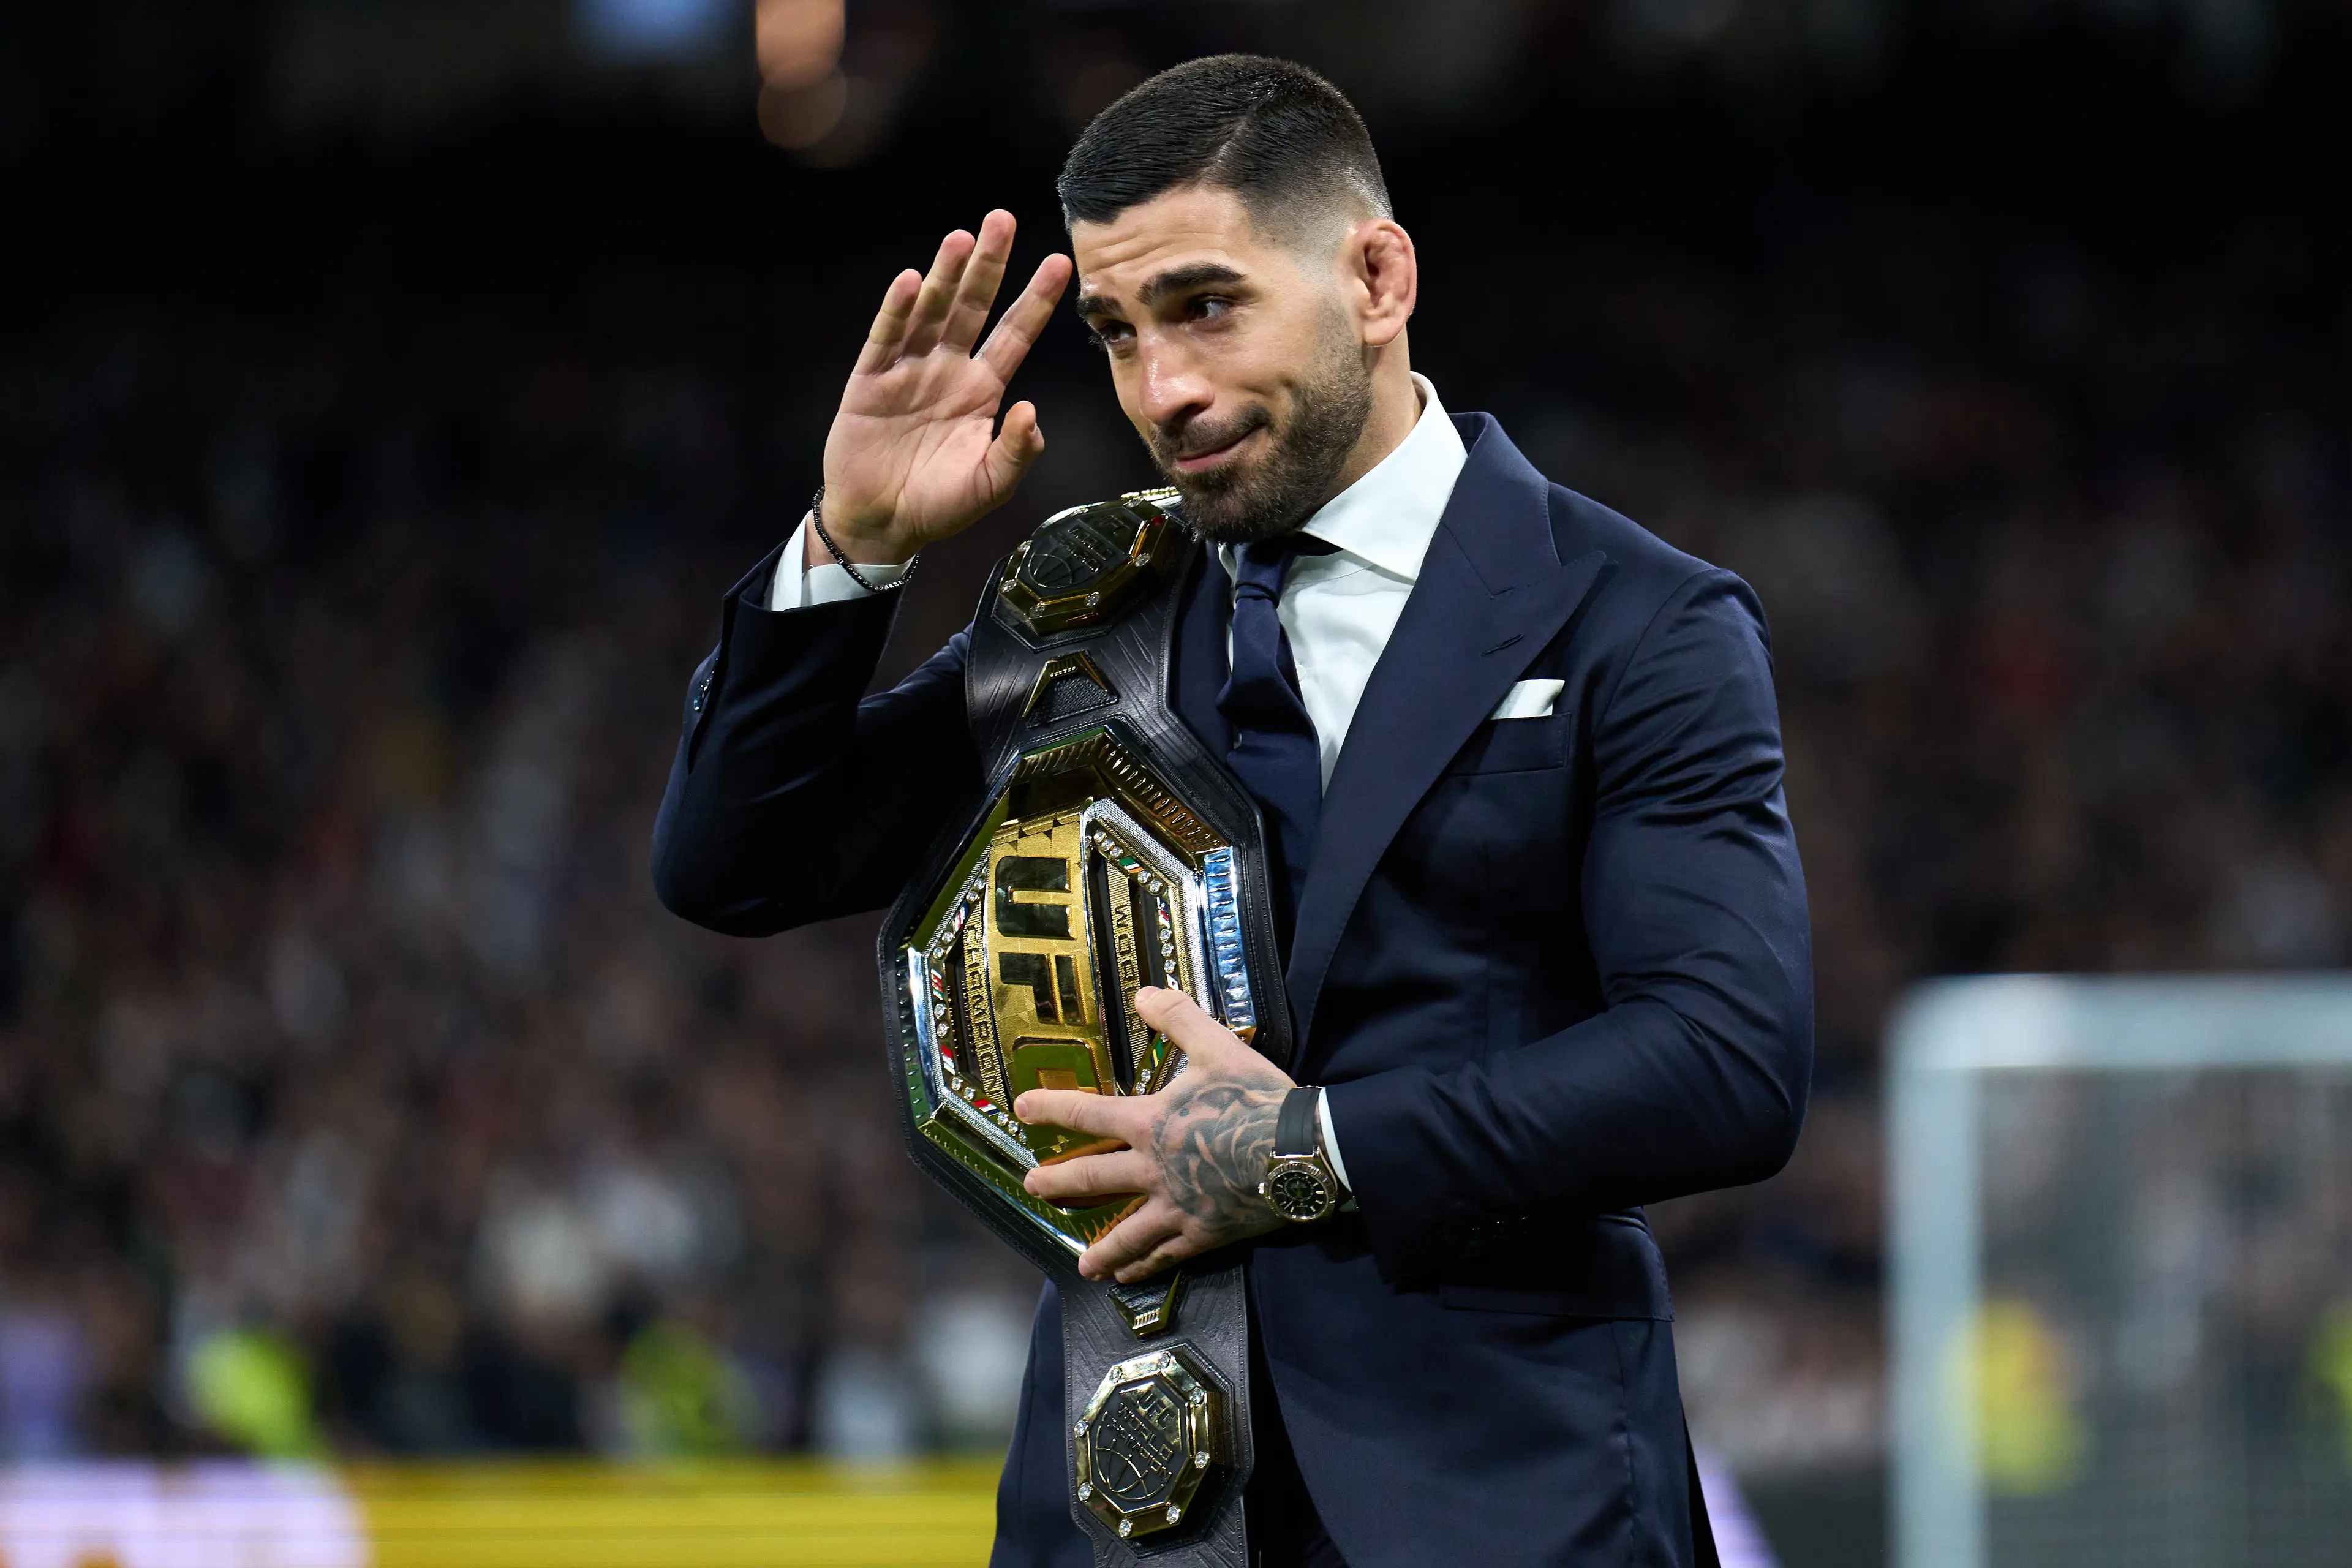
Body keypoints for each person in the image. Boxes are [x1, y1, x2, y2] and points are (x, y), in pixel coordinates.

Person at [653, 53, 1811, 1568]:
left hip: (1507, 1501)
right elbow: (736, 859)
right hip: (1125, 1507)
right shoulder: (1086, 616)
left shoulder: (1631, 619)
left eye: (1206, 307)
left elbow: (1725, 1058)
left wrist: (1314, 1143)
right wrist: (853, 550)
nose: (1162, 392)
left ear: (1378, 278)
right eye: (1120, 335)